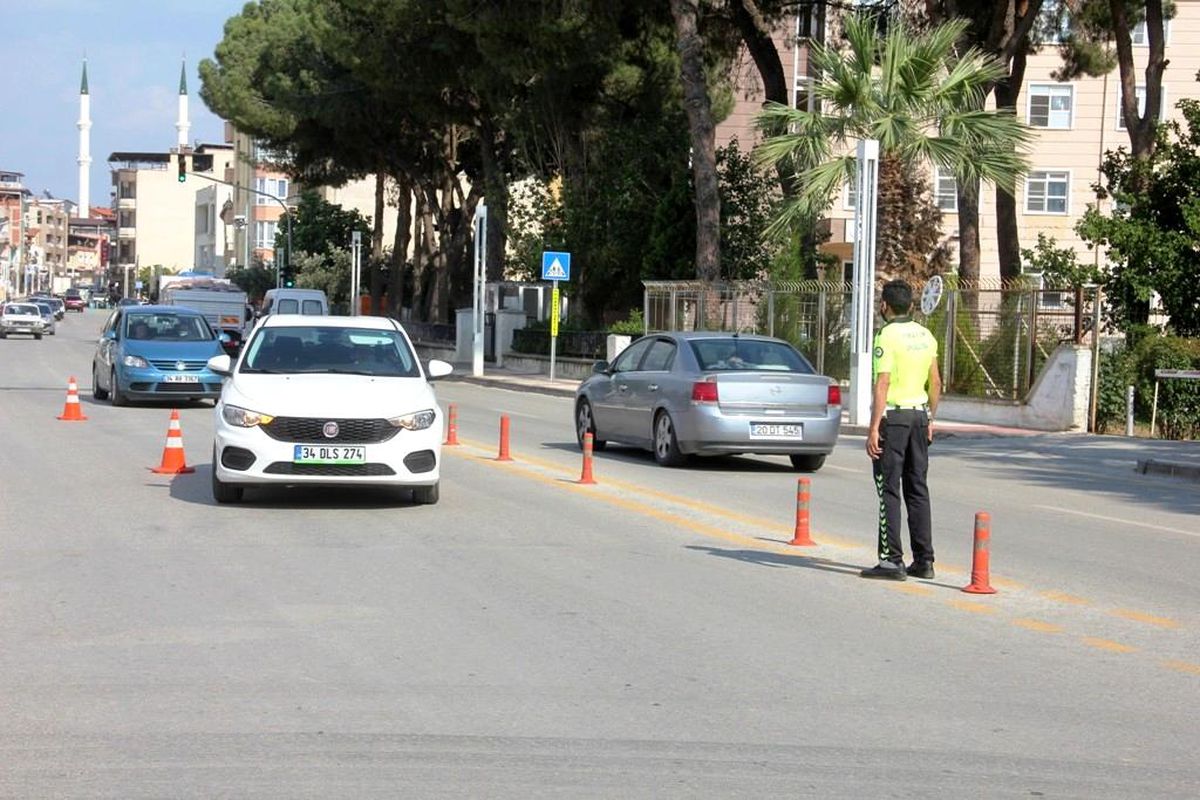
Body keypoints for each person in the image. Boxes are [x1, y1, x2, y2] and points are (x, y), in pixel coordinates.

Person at [860, 279, 942, 582]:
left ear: (885, 306)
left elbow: (882, 383)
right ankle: (924, 560)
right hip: (920, 418)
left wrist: (872, 428)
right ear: (910, 305)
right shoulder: (926, 335)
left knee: (888, 487)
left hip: (893, 420)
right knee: (917, 488)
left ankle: (891, 560)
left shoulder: (886, 335)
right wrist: (930, 419)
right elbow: (936, 384)